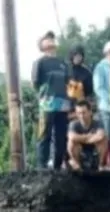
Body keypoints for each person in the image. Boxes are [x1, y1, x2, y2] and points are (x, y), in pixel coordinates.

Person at [30, 32, 74, 170]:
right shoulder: (39, 62)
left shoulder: (63, 63)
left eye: (52, 39)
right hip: (47, 103)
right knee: (44, 134)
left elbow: (69, 82)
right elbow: (35, 83)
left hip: (63, 103)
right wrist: (44, 95)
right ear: (42, 45)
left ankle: (57, 165)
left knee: (61, 136)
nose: (51, 41)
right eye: (47, 39)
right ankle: (42, 166)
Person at [93, 41, 110, 169]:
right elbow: (99, 88)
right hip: (107, 108)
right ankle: (104, 164)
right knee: (108, 137)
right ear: (109, 52)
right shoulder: (101, 67)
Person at [67, 100, 106, 172]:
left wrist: (81, 138)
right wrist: (89, 137)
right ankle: (77, 165)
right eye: (79, 113)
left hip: (94, 147)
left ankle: (100, 164)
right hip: (80, 148)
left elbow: (100, 136)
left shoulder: (98, 122)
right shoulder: (73, 124)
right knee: (71, 142)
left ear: (90, 112)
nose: (81, 116)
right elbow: (72, 137)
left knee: (103, 140)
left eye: (84, 113)